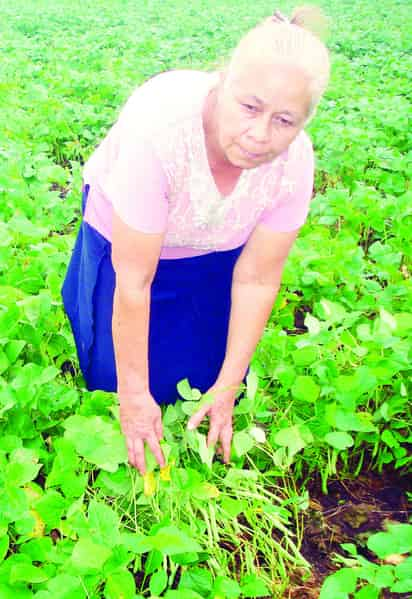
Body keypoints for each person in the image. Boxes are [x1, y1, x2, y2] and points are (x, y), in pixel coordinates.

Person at [61, 5, 331, 475]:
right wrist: (133, 395)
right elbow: (135, 282)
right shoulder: (161, 132)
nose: (259, 135)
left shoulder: (293, 163)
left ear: (303, 123)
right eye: (250, 106)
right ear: (222, 82)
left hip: (216, 240)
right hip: (127, 241)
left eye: (285, 121)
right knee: (115, 382)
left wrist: (227, 385)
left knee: (201, 378)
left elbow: (256, 280)